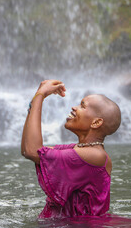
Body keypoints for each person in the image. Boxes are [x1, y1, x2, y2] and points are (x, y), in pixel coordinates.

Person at [21, 80, 122, 219]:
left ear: (96, 122)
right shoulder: (79, 149)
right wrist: (35, 99)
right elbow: (28, 149)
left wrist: (40, 96)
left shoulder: (95, 156)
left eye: (82, 105)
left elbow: (33, 151)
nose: (74, 108)